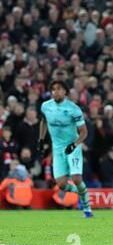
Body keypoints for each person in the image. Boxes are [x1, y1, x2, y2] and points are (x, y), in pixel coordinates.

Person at [38, 80, 93, 218]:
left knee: (76, 178)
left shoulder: (73, 109)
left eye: (59, 89)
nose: (56, 91)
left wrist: (74, 144)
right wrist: (41, 139)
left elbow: (84, 132)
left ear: (65, 92)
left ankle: (87, 209)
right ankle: (83, 193)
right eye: (53, 89)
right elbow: (43, 121)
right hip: (57, 149)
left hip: (72, 146)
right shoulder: (45, 106)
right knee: (61, 185)